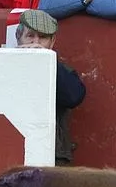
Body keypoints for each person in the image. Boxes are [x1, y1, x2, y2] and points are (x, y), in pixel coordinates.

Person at [13, 9, 86, 165]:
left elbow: (74, 97)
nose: (36, 43)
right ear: (19, 38)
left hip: (53, 156)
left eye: (43, 38)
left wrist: (48, 60)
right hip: (11, 152)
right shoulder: (3, 65)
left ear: (52, 42)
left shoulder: (61, 70)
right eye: (30, 36)